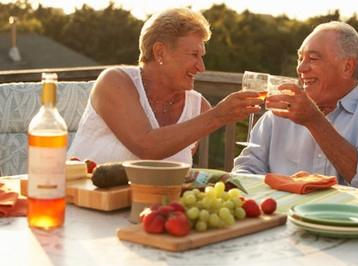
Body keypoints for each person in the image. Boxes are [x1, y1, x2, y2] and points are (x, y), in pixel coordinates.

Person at [68, 8, 263, 166]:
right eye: (193, 55)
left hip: (150, 212)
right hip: (83, 205)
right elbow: (146, 147)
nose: (201, 67)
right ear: (160, 52)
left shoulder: (198, 108)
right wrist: (218, 116)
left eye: (201, 56)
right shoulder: (115, 82)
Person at [233, 21, 358, 194]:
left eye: (313, 58)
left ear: (347, 67)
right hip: (282, 217)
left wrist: (314, 121)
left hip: (347, 219)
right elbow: (244, 171)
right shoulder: (278, 115)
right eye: (300, 58)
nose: (300, 68)